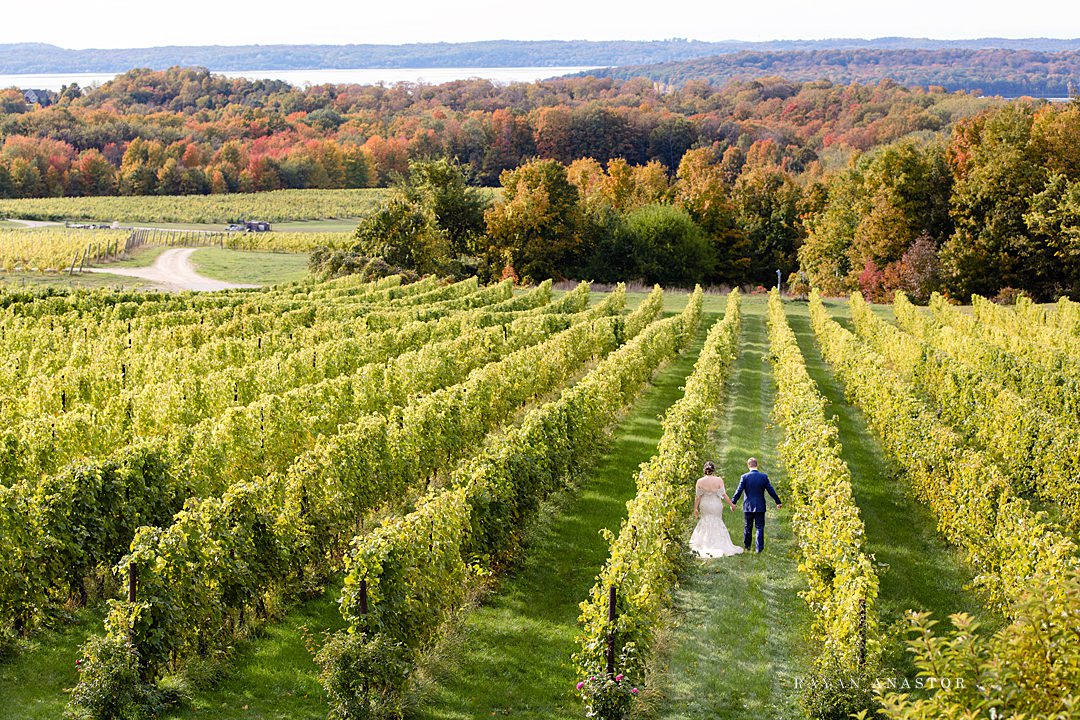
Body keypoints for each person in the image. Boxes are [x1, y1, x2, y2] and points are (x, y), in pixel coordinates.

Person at [689, 461, 743, 558]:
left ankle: (705, 543)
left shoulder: (700, 481)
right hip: (715, 504)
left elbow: (697, 497)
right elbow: (723, 495)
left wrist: (695, 509)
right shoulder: (718, 480)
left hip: (705, 504)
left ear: (704, 470)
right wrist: (732, 504)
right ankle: (719, 543)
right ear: (713, 470)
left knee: (705, 520)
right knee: (717, 521)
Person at [731, 457, 782, 553]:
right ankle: (759, 549)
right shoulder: (764, 477)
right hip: (760, 506)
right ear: (757, 465)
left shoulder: (744, 477)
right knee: (760, 527)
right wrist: (778, 502)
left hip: (748, 506)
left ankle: (747, 546)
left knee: (748, 527)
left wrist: (733, 502)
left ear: (748, 465)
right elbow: (771, 490)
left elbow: (739, 491)